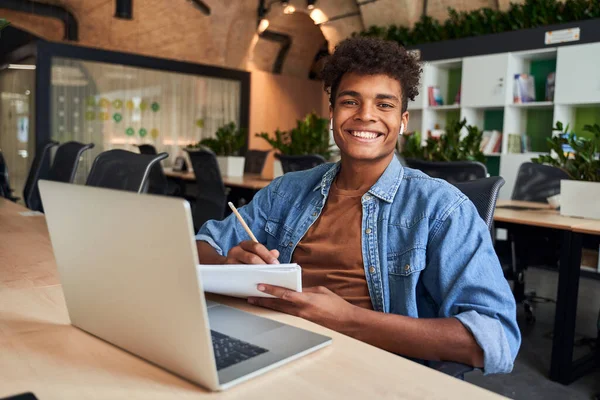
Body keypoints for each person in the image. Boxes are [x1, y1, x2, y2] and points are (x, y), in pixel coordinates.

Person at [196, 37, 520, 374]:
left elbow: (495, 339)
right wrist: (227, 264)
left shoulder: (442, 208)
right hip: (273, 345)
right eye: (351, 101)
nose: (366, 116)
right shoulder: (288, 190)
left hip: (371, 369)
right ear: (333, 113)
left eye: (384, 105)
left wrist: (350, 320)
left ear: (403, 120)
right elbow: (202, 247)